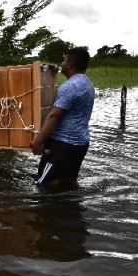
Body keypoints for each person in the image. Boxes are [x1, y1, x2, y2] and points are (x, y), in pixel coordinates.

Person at [30, 47, 94, 191]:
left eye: (64, 60)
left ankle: (50, 211)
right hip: (80, 143)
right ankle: (68, 209)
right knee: (68, 180)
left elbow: (54, 116)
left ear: (70, 63)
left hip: (63, 144)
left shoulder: (70, 86)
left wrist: (38, 142)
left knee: (43, 183)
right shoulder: (87, 83)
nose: (62, 63)